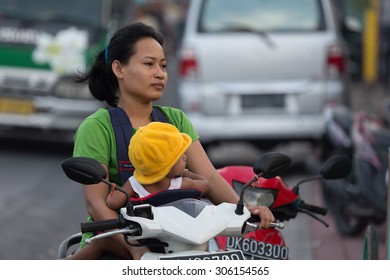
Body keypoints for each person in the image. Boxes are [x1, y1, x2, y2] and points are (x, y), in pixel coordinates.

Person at [71, 22, 274, 260]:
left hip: (182, 244)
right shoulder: (97, 127)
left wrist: (245, 211)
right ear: (119, 69)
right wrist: (134, 248)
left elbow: (209, 177)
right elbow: (96, 204)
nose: (160, 73)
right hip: (114, 244)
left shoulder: (176, 119)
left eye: (164, 66)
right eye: (149, 64)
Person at [66, 122, 209, 260]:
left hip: (140, 242)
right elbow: (205, 185)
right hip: (178, 242)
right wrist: (187, 173)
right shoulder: (182, 183)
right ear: (166, 166)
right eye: (180, 157)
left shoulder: (134, 184)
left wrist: (114, 190)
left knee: (100, 243)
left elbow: (112, 203)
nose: (185, 158)